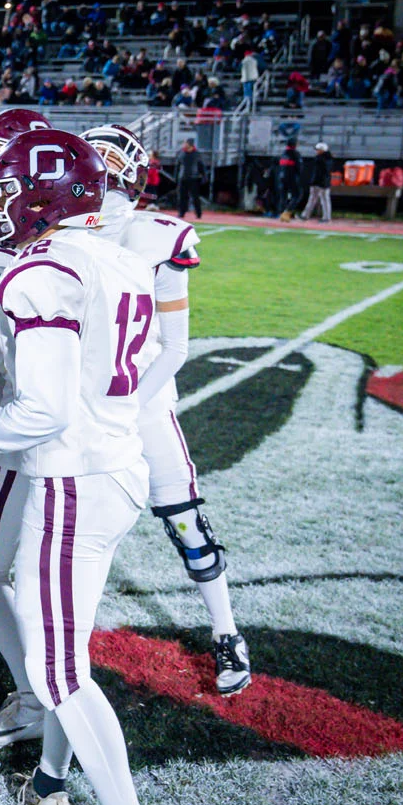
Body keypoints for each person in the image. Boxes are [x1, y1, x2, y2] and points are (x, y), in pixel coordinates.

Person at [0, 129, 172, 805]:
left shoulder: (43, 269)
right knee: (61, 654)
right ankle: (49, 776)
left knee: (58, 670)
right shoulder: (121, 255)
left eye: (3, 187)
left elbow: (41, 411)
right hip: (113, 463)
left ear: (38, 197)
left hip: (76, 480)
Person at [86, 125, 251, 696]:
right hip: (77, 406)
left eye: (111, 162)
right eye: (93, 159)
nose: (101, 173)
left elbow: (176, 347)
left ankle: (226, 632)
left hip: (141, 402)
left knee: (185, 521)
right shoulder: (57, 230)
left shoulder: (157, 235)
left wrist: (126, 406)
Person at [300, 142, 333, 223]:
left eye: (318, 150)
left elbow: (323, 172)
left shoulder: (323, 159)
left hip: (321, 182)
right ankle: (305, 215)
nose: (316, 151)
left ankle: (326, 217)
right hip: (319, 182)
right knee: (313, 199)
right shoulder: (325, 159)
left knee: (324, 200)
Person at [176, 139, 204, 219]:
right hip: (183, 177)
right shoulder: (181, 153)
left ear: (190, 144)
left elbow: (201, 165)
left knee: (195, 197)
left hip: (193, 178)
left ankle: (198, 213)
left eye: (186, 143)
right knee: (182, 197)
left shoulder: (196, 154)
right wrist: (176, 176)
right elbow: (178, 165)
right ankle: (181, 212)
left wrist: (203, 176)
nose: (184, 144)